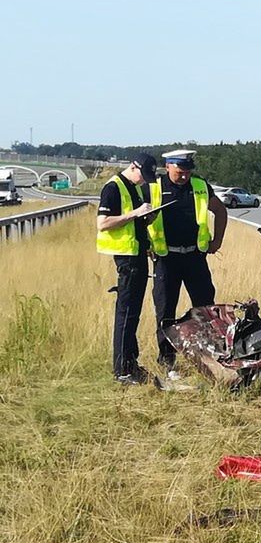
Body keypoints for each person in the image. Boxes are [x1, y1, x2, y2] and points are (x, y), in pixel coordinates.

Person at [149, 149, 228, 374]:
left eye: (187, 172)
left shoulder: (199, 185)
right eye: (179, 172)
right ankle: (167, 361)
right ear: (168, 167)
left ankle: (210, 356)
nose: (184, 176)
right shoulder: (154, 187)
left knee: (205, 308)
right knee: (165, 310)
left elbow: (220, 211)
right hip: (166, 258)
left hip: (195, 257)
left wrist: (217, 241)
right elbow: (139, 218)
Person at [96, 152, 158, 384]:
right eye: (143, 175)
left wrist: (146, 218)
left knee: (133, 314)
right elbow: (103, 223)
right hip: (126, 258)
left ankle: (131, 363)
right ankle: (122, 369)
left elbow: (132, 223)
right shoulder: (112, 188)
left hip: (137, 254)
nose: (144, 180)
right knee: (126, 314)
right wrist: (134, 213)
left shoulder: (133, 188)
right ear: (134, 167)